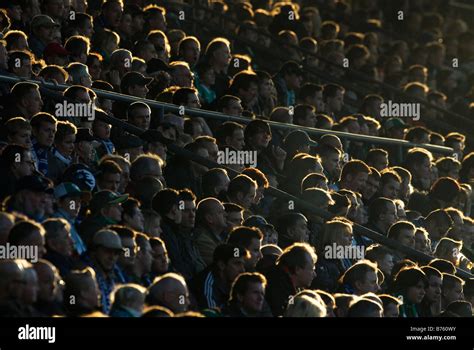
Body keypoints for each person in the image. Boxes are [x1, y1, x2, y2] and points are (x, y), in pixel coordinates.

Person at [264, 243, 317, 316]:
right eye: (312, 269)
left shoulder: (287, 286)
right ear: (297, 269)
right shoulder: (277, 286)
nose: (314, 274)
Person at [192, 244, 247, 310]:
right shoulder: (208, 283)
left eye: (243, 264)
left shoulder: (234, 281)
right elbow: (211, 313)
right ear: (221, 265)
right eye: (237, 264)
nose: (242, 270)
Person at [86, 229, 126, 314]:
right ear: (94, 251)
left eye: (116, 253)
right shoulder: (84, 275)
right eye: (107, 251)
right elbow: (72, 301)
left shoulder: (117, 275)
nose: (112, 257)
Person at [193, 198, 227, 266]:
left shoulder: (221, 235)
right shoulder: (202, 240)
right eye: (220, 212)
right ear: (209, 218)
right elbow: (222, 266)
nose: (226, 214)